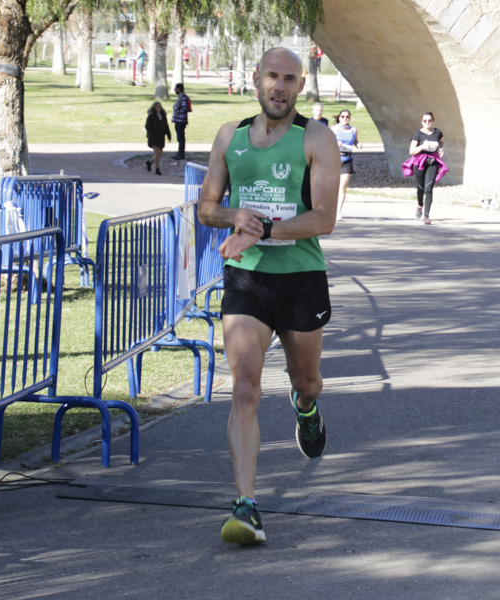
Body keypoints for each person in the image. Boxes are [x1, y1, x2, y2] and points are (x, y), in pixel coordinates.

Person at [196, 47, 339, 546]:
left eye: (290, 79)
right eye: (272, 77)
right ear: (255, 80)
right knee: (244, 388)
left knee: (308, 380)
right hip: (246, 280)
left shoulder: (316, 137)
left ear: (301, 87)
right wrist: (235, 217)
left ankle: (306, 408)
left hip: (300, 277)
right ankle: (246, 505)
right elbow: (206, 207)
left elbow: (324, 218)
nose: (280, 86)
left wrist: (264, 228)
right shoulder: (229, 137)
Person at [404, 112, 447, 225]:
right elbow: (411, 151)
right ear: (421, 121)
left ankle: (426, 215)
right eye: (425, 121)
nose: (427, 123)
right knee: (421, 187)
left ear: (433, 121)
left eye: (429, 120)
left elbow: (441, 141)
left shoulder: (437, 132)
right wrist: (422, 146)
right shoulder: (418, 134)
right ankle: (419, 205)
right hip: (419, 162)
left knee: (429, 188)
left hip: (433, 162)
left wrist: (441, 149)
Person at [331, 109, 361, 220]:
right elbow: (326, 142)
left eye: (347, 117)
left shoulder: (353, 130)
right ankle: (330, 209)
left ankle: (338, 211)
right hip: (334, 160)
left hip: (347, 160)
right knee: (333, 186)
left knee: (343, 186)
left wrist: (358, 144)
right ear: (339, 118)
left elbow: (355, 141)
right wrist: (336, 144)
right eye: (343, 116)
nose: (345, 118)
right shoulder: (334, 129)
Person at [144, 101, 171, 175]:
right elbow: (147, 126)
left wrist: (168, 135)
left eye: (160, 106)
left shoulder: (163, 115)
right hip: (153, 138)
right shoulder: (151, 116)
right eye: (157, 106)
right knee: (157, 153)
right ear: (154, 108)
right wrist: (152, 133)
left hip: (161, 137)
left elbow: (166, 126)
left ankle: (149, 162)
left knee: (159, 154)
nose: (159, 108)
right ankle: (157, 169)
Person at [170, 83, 192, 160]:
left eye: (175, 89)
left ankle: (181, 154)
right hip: (178, 120)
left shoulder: (183, 98)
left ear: (178, 89)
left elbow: (184, 109)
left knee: (181, 138)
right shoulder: (181, 97)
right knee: (179, 138)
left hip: (181, 120)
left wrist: (175, 108)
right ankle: (179, 153)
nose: (175, 90)